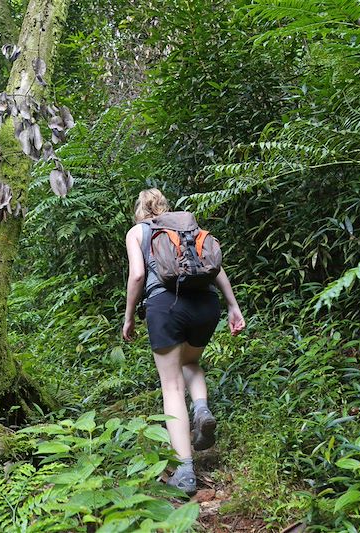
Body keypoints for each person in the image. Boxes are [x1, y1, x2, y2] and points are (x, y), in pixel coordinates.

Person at [122, 188, 246, 495]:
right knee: (190, 361)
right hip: (206, 305)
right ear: (164, 206)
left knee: (172, 386)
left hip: (166, 306)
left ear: (140, 209)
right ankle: (201, 408)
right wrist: (233, 306)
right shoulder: (189, 227)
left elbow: (138, 275)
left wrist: (129, 317)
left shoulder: (137, 232)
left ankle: (185, 472)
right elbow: (216, 268)